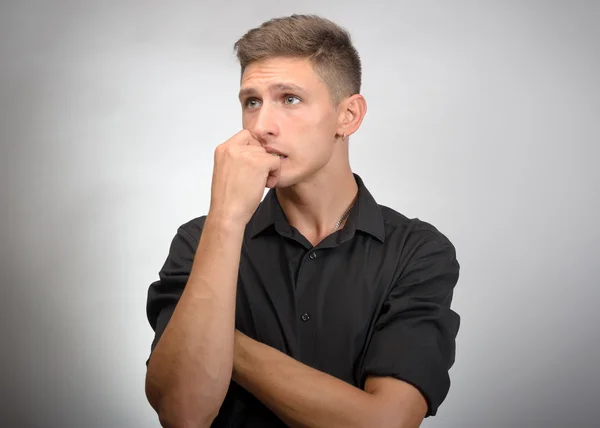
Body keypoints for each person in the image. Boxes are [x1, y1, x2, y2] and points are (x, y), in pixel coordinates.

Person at [145, 14, 460, 428]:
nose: (260, 127)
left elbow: (386, 423)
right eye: (251, 102)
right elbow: (183, 415)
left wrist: (223, 343)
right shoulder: (199, 240)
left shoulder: (416, 251)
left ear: (348, 116)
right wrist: (225, 218)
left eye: (289, 99)